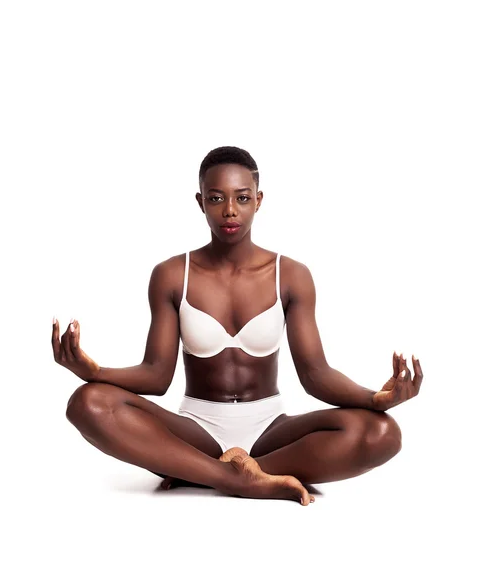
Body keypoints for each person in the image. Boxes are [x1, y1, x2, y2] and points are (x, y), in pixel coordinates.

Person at [52, 146, 423, 507]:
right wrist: (94, 371)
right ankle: (234, 478)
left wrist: (376, 399)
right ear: (200, 202)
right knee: (87, 403)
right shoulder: (170, 275)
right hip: (197, 429)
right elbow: (156, 376)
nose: (230, 211)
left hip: (271, 430)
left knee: (382, 433)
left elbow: (315, 374)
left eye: (242, 198)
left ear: (259, 200)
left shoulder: (291, 275)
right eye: (216, 199)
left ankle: (202, 472)